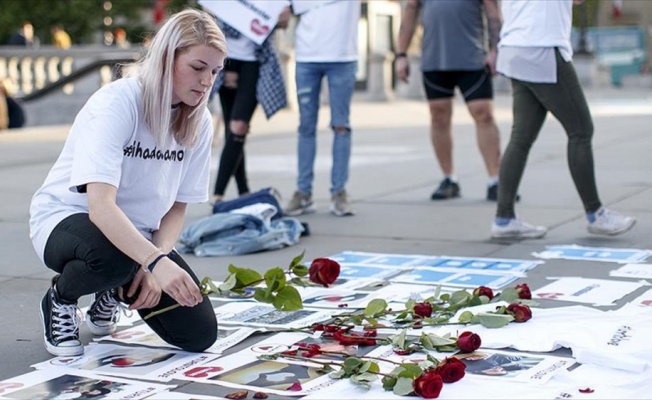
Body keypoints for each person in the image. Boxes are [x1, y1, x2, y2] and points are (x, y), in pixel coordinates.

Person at [28, 8, 225, 357]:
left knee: (200, 334)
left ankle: (112, 289)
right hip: (67, 219)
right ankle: (61, 299)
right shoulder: (117, 102)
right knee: (116, 260)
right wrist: (151, 262)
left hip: (140, 240)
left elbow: (177, 207)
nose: (207, 80)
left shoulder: (200, 121)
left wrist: (157, 260)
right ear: (167, 58)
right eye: (198, 67)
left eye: (214, 71)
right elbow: (100, 208)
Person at [490, 0, 636, 239]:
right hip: (543, 47)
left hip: (515, 47)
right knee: (580, 130)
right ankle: (595, 212)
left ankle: (504, 218)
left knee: (521, 137)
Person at [395, 0, 506, 201]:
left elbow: (493, 13)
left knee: (484, 113)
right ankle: (449, 179)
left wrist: (496, 49)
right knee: (438, 117)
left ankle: (496, 181)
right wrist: (401, 55)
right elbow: (410, 11)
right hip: (434, 59)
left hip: (472, 59)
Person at [284, 0, 360, 217]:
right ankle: (303, 192)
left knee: (341, 126)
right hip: (307, 56)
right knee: (306, 126)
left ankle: (339, 192)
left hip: (343, 57)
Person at [210, 5, 290, 204]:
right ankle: (243, 190)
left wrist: (278, 15)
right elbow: (210, 16)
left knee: (239, 126)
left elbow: (284, 22)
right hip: (228, 59)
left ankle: (217, 194)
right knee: (233, 132)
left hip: (256, 62)